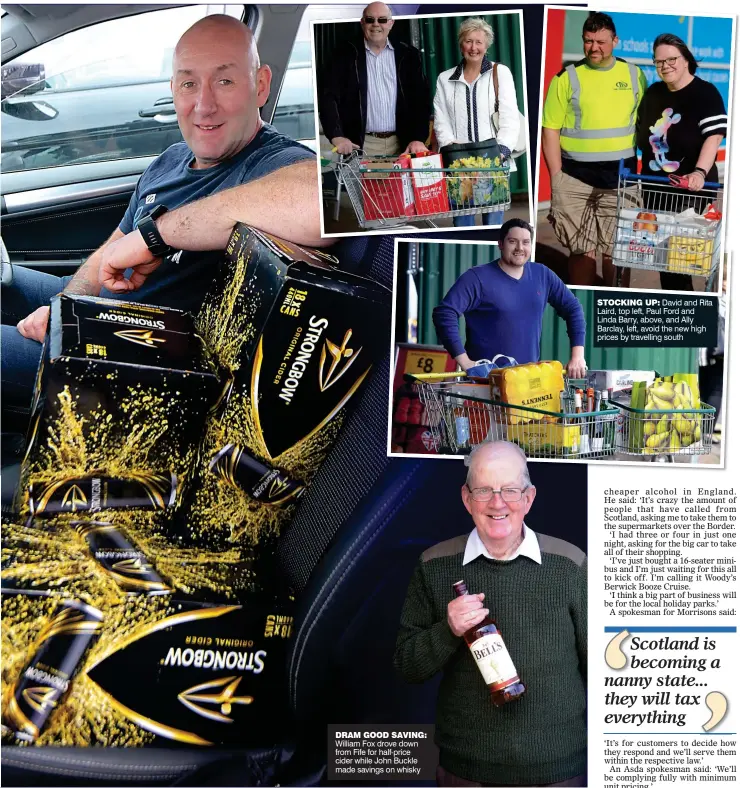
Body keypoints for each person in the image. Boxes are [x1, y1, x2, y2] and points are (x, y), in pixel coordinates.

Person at [2, 14, 323, 407]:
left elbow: (327, 200)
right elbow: (110, 252)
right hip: (101, 317)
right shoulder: (170, 160)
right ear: (173, 90)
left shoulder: (273, 164)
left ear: (260, 86)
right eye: (189, 83)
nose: (203, 105)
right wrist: (66, 308)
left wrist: (156, 236)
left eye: (224, 81)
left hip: (138, 369)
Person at [394, 441, 587, 787]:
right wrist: (447, 630)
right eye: (484, 491)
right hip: (465, 773)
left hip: (557, 772)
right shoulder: (434, 565)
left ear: (528, 498)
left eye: (510, 490)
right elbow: (407, 667)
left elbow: (604, 673)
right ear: (467, 499)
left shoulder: (570, 565)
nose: (498, 503)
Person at [542, 12, 648, 286]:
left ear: (615, 40)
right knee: (581, 250)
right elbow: (550, 128)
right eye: (588, 41)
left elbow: (648, 127)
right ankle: (584, 304)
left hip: (620, 179)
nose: (594, 48)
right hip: (575, 179)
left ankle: (614, 305)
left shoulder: (635, 75)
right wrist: (557, 178)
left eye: (600, 41)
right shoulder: (566, 77)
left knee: (617, 252)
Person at [432, 218, 588, 378]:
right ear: (500, 244)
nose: (520, 248)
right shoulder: (477, 278)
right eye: (513, 241)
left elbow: (573, 309)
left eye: (526, 242)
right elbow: (444, 313)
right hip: (486, 383)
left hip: (526, 381)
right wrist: (465, 362)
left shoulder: (542, 274)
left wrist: (577, 356)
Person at [636, 33, 727, 292]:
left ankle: (692, 316)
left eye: (671, 59)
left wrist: (699, 172)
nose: (665, 66)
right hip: (657, 190)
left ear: (686, 59)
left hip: (691, 192)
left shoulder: (705, 93)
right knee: (666, 263)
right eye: (659, 61)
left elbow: (714, 137)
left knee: (684, 261)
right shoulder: (653, 93)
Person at [433, 17, 520, 227]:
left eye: (479, 42)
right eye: (468, 41)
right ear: (460, 44)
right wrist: (450, 148)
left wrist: (501, 152)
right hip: (460, 163)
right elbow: (440, 118)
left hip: (494, 160)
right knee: (462, 224)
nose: (473, 48)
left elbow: (509, 116)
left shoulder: (500, 73)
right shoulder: (445, 78)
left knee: (494, 225)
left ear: (487, 45)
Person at [317, 3, 430, 158]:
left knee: (400, 184)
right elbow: (328, 97)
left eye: (382, 20)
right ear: (362, 22)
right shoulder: (344, 55)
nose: (376, 24)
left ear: (391, 23)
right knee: (359, 184)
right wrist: (337, 135)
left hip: (402, 146)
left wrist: (418, 138)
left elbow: (421, 101)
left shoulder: (409, 55)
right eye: (370, 19)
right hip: (360, 146)